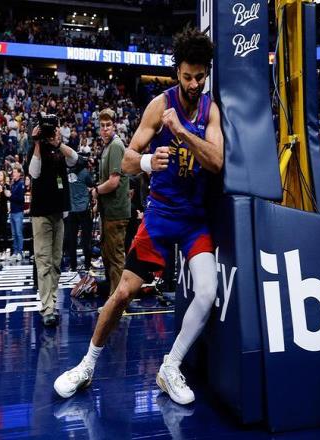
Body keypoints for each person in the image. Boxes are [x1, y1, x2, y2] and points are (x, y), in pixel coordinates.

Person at [54, 26, 224, 406]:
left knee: (208, 291)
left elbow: (216, 162)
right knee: (123, 293)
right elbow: (128, 160)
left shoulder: (210, 109)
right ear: (177, 72)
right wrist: (148, 161)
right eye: (187, 76)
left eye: (200, 77)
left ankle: (170, 367)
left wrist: (181, 132)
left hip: (194, 219)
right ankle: (86, 365)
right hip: (161, 215)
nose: (194, 84)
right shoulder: (159, 105)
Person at [27, 113, 79, 326]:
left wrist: (59, 144)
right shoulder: (35, 148)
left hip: (59, 212)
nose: (49, 132)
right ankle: (47, 307)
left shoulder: (60, 149)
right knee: (43, 260)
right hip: (41, 213)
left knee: (56, 261)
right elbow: (34, 173)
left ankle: (53, 302)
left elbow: (75, 159)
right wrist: (37, 143)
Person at [90, 108, 131, 295]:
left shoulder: (115, 146)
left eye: (108, 125)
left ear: (114, 126)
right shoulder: (107, 146)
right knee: (108, 257)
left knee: (115, 259)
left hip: (116, 212)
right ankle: (113, 298)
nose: (105, 129)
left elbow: (114, 182)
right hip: (108, 211)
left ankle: (118, 302)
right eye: (102, 125)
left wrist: (96, 190)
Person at [65, 158, 94, 272]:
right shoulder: (85, 173)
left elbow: (60, 185)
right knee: (86, 238)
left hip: (71, 210)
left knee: (72, 239)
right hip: (84, 209)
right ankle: (87, 265)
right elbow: (92, 184)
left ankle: (73, 265)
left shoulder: (67, 173)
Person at [9, 163, 25, 260]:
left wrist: (10, 196)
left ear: (19, 173)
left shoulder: (21, 184)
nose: (13, 174)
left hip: (18, 211)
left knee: (18, 233)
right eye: (13, 172)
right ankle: (15, 251)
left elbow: (20, 199)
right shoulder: (13, 184)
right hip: (12, 211)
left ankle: (20, 251)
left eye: (15, 172)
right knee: (14, 234)